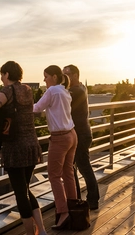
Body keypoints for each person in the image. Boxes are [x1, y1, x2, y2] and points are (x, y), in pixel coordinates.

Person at [0, 61, 46, 235]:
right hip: (31, 144)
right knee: (25, 189)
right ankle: (41, 229)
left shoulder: (6, 92)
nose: (1, 78)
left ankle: (29, 232)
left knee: (20, 193)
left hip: (15, 148)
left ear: (7, 75)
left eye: (2, 75)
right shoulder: (27, 90)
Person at [33, 65, 78, 230]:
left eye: (45, 76)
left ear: (53, 76)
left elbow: (37, 108)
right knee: (68, 174)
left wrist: (20, 109)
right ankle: (73, 209)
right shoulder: (65, 91)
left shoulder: (52, 91)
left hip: (60, 138)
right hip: (72, 135)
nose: (44, 80)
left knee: (53, 176)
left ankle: (63, 213)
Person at [63, 64, 100, 210]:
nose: (64, 78)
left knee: (80, 167)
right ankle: (82, 198)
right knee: (77, 166)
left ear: (75, 75)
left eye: (66, 74)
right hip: (82, 132)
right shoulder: (82, 88)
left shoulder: (75, 91)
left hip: (80, 134)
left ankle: (88, 200)